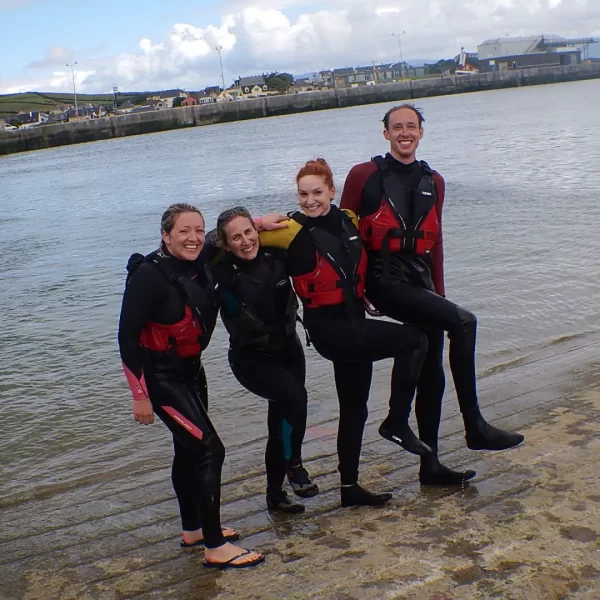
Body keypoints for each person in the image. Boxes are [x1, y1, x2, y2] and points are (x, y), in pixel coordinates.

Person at [340, 104, 524, 486]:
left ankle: (431, 465)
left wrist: (439, 295)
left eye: (412, 126)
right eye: (397, 127)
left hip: (419, 279)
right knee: (465, 320)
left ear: (421, 132)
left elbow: (435, 244)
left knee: (432, 371)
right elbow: (346, 237)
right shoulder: (364, 175)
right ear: (385, 133)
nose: (405, 132)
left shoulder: (434, 180)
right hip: (383, 275)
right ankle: (474, 426)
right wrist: (357, 291)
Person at [261, 158, 431, 508]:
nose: (310, 201)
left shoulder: (348, 220)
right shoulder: (288, 229)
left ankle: (350, 487)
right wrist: (256, 221)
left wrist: (366, 294)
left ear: (332, 191)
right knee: (415, 340)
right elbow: (230, 237)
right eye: (303, 194)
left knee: (355, 408)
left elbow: (357, 263)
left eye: (317, 192)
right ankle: (397, 421)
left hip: (355, 321)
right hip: (328, 328)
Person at [118, 203, 264, 569]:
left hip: (191, 374)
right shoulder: (148, 277)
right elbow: (126, 337)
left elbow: (231, 233)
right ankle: (215, 547)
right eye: (184, 231)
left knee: (187, 451)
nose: (193, 237)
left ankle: (193, 530)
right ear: (165, 236)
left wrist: (262, 222)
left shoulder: (202, 253)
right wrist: (140, 396)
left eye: (198, 230)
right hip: (162, 380)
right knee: (210, 451)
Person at [210, 206, 318, 514]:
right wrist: (256, 220)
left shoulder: (276, 256)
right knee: (295, 397)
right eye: (235, 237)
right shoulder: (219, 268)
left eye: (248, 232)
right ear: (225, 243)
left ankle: (275, 494)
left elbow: (308, 237)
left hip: (289, 349)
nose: (245, 242)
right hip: (250, 359)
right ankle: (294, 463)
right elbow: (194, 245)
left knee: (281, 419)